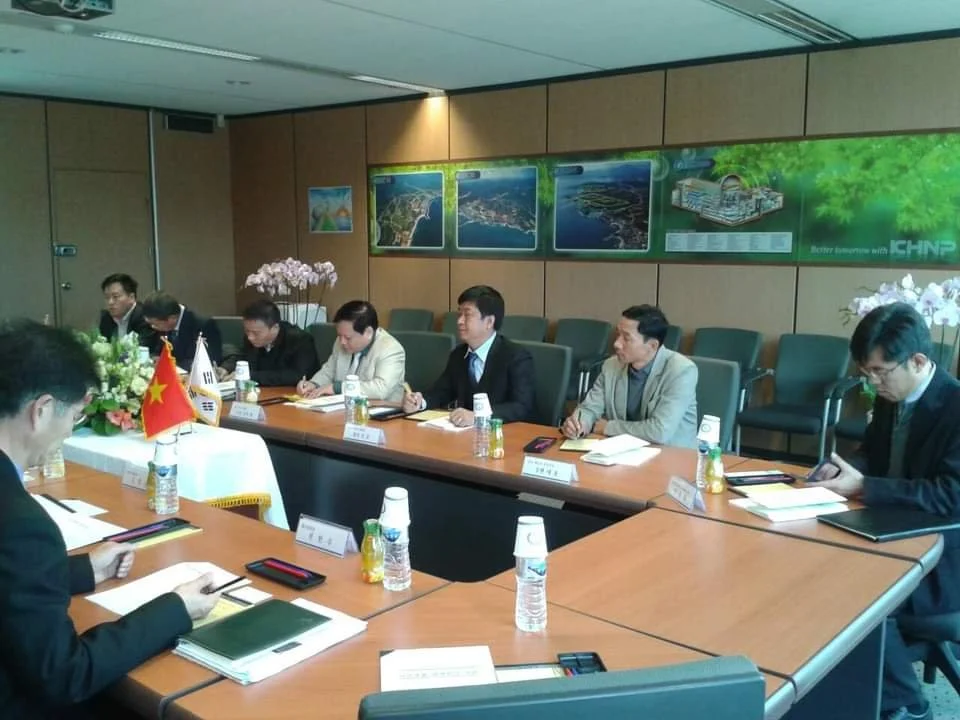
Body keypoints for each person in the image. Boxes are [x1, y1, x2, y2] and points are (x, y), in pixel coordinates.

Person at [0, 318, 220, 720]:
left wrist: (83, 570)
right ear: (42, 410)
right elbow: (64, 676)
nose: (68, 432)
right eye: (74, 418)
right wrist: (175, 609)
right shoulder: (23, 524)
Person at [812, 302, 960, 720]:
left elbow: (953, 495)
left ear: (918, 360)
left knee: (856, 595)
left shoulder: (954, 406)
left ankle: (907, 706)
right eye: (866, 372)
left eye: (880, 371)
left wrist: (866, 486)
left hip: (943, 554)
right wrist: (844, 469)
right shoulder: (895, 394)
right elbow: (874, 455)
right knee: (813, 572)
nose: (873, 382)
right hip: (891, 530)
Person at [562, 305, 698, 447]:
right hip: (623, 453)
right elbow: (590, 408)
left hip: (671, 457)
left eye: (626, 338)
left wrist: (608, 427)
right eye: (618, 335)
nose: (616, 344)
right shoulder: (611, 365)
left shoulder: (681, 371)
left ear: (652, 345)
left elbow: (660, 431)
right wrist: (579, 423)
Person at [402, 285, 535, 426]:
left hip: (504, 436)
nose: (459, 321)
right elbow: (441, 392)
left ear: (489, 322)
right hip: (466, 435)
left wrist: (479, 416)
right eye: (459, 314)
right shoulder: (458, 355)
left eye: (467, 314)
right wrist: (419, 402)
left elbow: (521, 406)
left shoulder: (516, 356)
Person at [297, 300, 405, 402]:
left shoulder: (390, 349)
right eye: (339, 335)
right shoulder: (341, 341)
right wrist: (313, 384)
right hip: (343, 410)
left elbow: (381, 389)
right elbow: (329, 371)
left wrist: (338, 388)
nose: (342, 342)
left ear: (368, 332)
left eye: (348, 338)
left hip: (380, 413)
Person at [219, 299, 319, 387]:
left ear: (275, 328)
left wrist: (250, 376)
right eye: (247, 331)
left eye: (256, 333)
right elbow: (246, 359)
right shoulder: (251, 338)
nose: (250, 337)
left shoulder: (300, 340)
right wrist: (227, 368)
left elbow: (296, 375)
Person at [141, 291, 222, 371]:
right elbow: (156, 350)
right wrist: (156, 358)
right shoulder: (163, 322)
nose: (153, 327)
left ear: (171, 319)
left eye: (155, 324)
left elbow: (209, 360)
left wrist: (169, 363)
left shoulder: (202, 325)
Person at [97, 273, 155, 347]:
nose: (110, 302)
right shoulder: (106, 318)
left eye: (115, 297)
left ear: (131, 297)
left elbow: (143, 349)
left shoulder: (145, 317)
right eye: (107, 297)